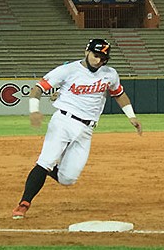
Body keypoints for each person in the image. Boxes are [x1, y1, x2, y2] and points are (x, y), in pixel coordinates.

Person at [11, 39, 143, 219]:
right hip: (63, 121)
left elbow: (119, 94)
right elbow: (38, 88)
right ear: (86, 51)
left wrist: (132, 116)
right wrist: (34, 110)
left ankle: (48, 170)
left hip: (87, 129)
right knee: (46, 161)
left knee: (68, 179)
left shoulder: (110, 74)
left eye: (103, 58)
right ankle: (24, 203)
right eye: (96, 56)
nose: (99, 61)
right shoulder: (68, 70)